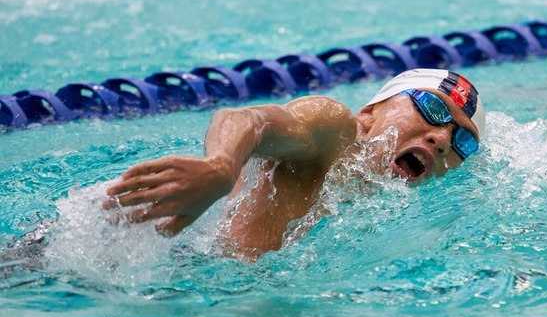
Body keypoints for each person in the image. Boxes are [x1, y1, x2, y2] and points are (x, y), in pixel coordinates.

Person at [103, 69, 486, 258]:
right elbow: (245, 119)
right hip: (122, 258)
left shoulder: (398, 209)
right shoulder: (333, 130)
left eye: (462, 140)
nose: (441, 139)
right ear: (371, 112)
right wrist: (221, 167)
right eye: (431, 108)